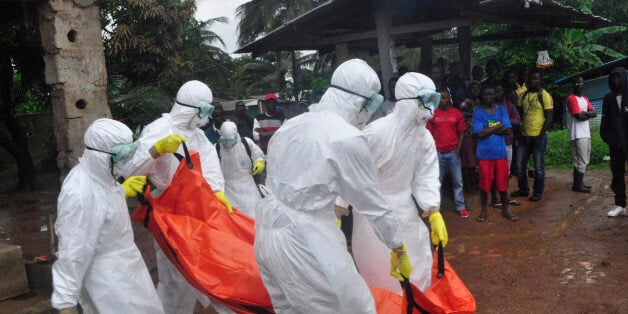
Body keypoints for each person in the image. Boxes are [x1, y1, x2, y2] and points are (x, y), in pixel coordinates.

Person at [254, 59, 421, 312]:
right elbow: (373, 204)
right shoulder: (346, 137)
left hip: (266, 234)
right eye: (371, 103)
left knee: (289, 308)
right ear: (360, 101)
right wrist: (397, 245)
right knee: (355, 307)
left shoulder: (291, 126)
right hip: (306, 238)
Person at [123, 80, 233, 314]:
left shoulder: (199, 136)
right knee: (174, 274)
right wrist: (156, 150)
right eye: (204, 110)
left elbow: (211, 168)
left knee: (204, 267)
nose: (206, 116)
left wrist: (217, 192)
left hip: (198, 207)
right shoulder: (159, 129)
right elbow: (130, 171)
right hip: (168, 209)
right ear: (189, 107)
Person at [52, 119, 164, 313]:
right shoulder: (79, 192)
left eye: (129, 153)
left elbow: (102, 211)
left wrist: (121, 191)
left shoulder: (103, 176)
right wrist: (65, 303)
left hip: (128, 266)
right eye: (122, 156)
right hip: (107, 281)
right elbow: (72, 253)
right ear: (99, 154)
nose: (126, 161)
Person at [473, 87, 517, 222]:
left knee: (502, 182)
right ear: (482, 96)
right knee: (484, 183)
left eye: (491, 94)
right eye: (485, 94)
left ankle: (505, 209)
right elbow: (479, 133)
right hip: (484, 154)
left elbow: (508, 129)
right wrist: (499, 126)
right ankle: (483, 210)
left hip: (500, 153)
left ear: (494, 96)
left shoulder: (502, 109)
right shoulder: (478, 112)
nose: (488, 97)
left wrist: (488, 129)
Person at [511, 70, 553, 202]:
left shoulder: (545, 95)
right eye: (531, 79)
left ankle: (538, 192)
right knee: (519, 164)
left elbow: (549, 117)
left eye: (536, 79)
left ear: (540, 80)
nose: (533, 81)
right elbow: (518, 115)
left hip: (538, 137)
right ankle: (523, 189)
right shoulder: (522, 95)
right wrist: (518, 133)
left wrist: (541, 135)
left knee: (538, 166)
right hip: (524, 136)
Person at [427, 88, 469, 218]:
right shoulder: (433, 113)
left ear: (449, 97)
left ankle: (460, 206)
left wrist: (459, 148)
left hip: (453, 153)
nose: (442, 100)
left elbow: (462, 131)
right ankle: (436, 208)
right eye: (440, 97)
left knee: (458, 182)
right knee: (436, 183)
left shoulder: (456, 113)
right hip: (438, 154)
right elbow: (428, 133)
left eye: (444, 97)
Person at [216, 121, 265, 217]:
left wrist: (259, 162)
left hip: (248, 185)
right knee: (236, 217)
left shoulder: (246, 142)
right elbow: (214, 171)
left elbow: (258, 155)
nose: (228, 143)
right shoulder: (216, 148)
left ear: (236, 135)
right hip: (229, 189)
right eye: (225, 140)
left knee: (256, 214)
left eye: (231, 139)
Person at [601, 67, 628, 217]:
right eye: (613, 78)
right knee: (617, 175)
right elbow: (604, 125)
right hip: (615, 145)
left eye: (619, 77)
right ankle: (620, 205)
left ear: (624, 78)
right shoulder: (608, 99)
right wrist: (611, 141)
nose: (616, 80)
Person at [566, 76, 597, 193]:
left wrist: (586, 113)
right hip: (577, 134)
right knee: (581, 160)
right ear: (573, 85)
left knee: (583, 159)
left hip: (585, 133)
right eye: (577, 83)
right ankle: (577, 185)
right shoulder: (571, 99)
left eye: (581, 83)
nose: (579, 85)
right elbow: (579, 116)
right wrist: (587, 113)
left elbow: (594, 112)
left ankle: (579, 183)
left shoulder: (584, 99)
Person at [458, 81, 481, 194]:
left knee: (474, 161)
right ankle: (468, 186)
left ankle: (474, 183)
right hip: (467, 134)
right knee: (468, 161)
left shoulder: (478, 102)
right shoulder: (466, 102)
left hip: (477, 135)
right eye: (474, 88)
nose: (476, 91)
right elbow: (460, 116)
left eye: (478, 88)